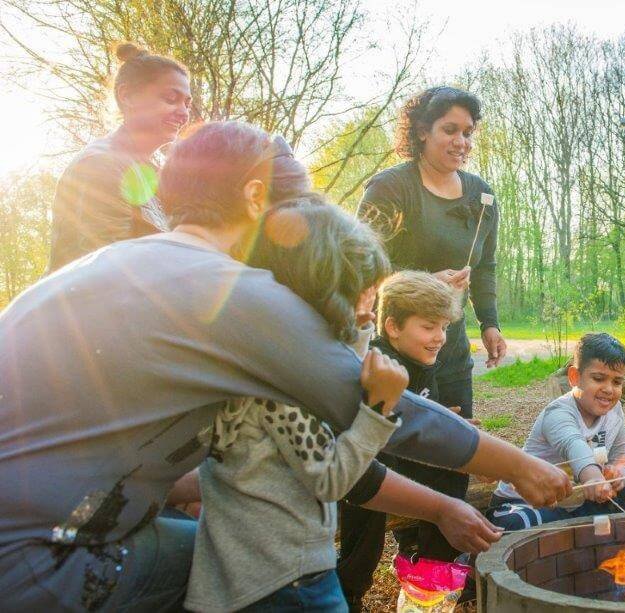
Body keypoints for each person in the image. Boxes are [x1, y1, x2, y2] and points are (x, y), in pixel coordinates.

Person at [0, 121, 570, 611]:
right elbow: (383, 410)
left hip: (47, 532)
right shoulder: (229, 293)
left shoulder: (123, 262)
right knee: (245, 565)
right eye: (296, 211)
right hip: (43, 559)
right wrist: (519, 466)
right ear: (254, 197)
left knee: (221, 539)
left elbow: (296, 460)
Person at [185, 201, 423, 612]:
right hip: (289, 582)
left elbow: (329, 364)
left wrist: (360, 327)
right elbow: (331, 479)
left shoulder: (247, 359)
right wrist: (378, 410)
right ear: (324, 293)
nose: (366, 306)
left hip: (233, 577)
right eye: (359, 293)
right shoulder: (286, 387)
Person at [353, 86, 507, 566]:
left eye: (468, 132)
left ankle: (434, 574)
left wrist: (490, 324)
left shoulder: (482, 197)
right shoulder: (390, 188)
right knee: (391, 451)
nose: (462, 140)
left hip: (450, 346)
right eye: (450, 130)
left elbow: (485, 267)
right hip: (395, 344)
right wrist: (420, 283)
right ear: (421, 132)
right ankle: (359, 571)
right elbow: (359, 266)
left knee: (453, 449)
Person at [336, 270, 467, 611]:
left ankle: (429, 577)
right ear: (393, 327)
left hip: (400, 456)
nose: (439, 337)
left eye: (444, 327)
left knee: (453, 472)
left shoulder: (421, 357)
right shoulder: (378, 361)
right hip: (357, 465)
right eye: (428, 327)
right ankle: (349, 588)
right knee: (369, 491)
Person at [486, 333, 625, 531]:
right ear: (574, 377)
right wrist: (594, 478)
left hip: (579, 502)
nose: (609, 389)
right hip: (527, 503)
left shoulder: (615, 410)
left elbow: (622, 457)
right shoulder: (558, 413)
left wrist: (619, 474)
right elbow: (574, 445)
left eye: (617, 382)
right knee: (520, 525)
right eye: (598, 378)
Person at [48, 42, 190, 271]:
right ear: (127, 96)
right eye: (171, 99)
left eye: (187, 103)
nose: (183, 112)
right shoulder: (100, 164)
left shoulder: (153, 170)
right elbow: (107, 270)